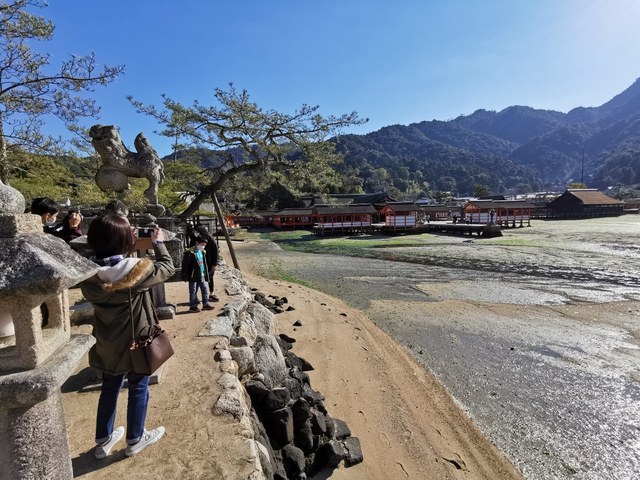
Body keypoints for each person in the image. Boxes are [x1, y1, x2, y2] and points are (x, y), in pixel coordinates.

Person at [79, 214, 174, 459]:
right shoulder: (136, 272)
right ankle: (135, 438)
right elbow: (167, 267)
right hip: (136, 342)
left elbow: (107, 262)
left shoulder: (88, 276)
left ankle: (103, 441)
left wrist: (123, 243)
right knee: (138, 386)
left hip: (107, 342)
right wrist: (158, 242)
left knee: (109, 388)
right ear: (123, 241)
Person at [182, 234, 216, 313]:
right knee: (193, 291)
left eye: (204, 245)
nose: (203, 247)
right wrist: (185, 276)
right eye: (202, 245)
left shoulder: (202, 252)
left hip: (202, 275)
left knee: (205, 290)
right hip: (193, 276)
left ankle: (205, 304)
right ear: (197, 243)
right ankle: (193, 306)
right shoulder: (190, 252)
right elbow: (185, 265)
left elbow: (203, 264)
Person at [191, 224, 219, 302]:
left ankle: (211, 294)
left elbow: (215, 252)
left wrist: (214, 264)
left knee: (210, 278)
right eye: (195, 231)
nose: (195, 232)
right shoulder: (194, 238)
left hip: (209, 262)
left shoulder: (210, 239)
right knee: (197, 280)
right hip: (198, 262)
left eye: (197, 231)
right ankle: (195, 297)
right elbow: (191, 249)